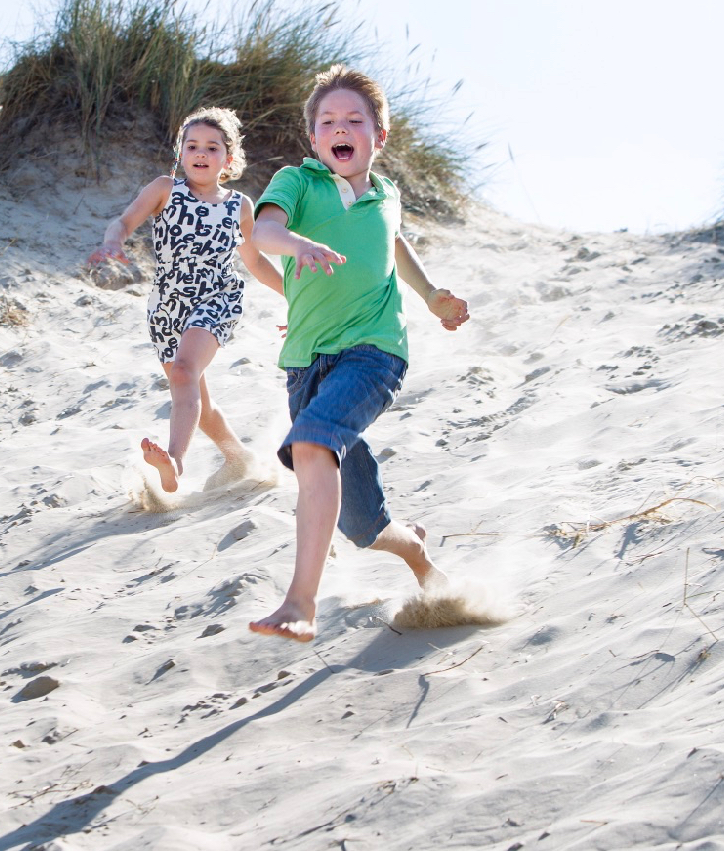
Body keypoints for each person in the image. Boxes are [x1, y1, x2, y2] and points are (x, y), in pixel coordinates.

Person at [247, 64, 470, 641]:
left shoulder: (387, 194)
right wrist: (296, 243)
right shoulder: (298, 184)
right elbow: (262, 234)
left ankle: (301, 602)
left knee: (311, 443)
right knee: (360, 524)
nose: (340, 128)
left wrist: (431, 296)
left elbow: (393, 243)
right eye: (328, 121)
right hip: (305, 362)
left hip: (374, 354)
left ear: (379, 136)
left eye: (354, 120)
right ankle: (418, 555)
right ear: (314, 138)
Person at [88, 107, 284, 493]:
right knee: (196, 399)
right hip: (166, 308)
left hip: (216, 298)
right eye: (192, 145)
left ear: (228, 158)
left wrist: (295, 296)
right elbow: (124, 221)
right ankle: (240, 458)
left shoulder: (239, 206)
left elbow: (256, 263)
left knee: (183, 373)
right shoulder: (165, 188)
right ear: (180, 152)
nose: (200, 152)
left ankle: (174, 462)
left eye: (212, 147)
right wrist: (113, 242)